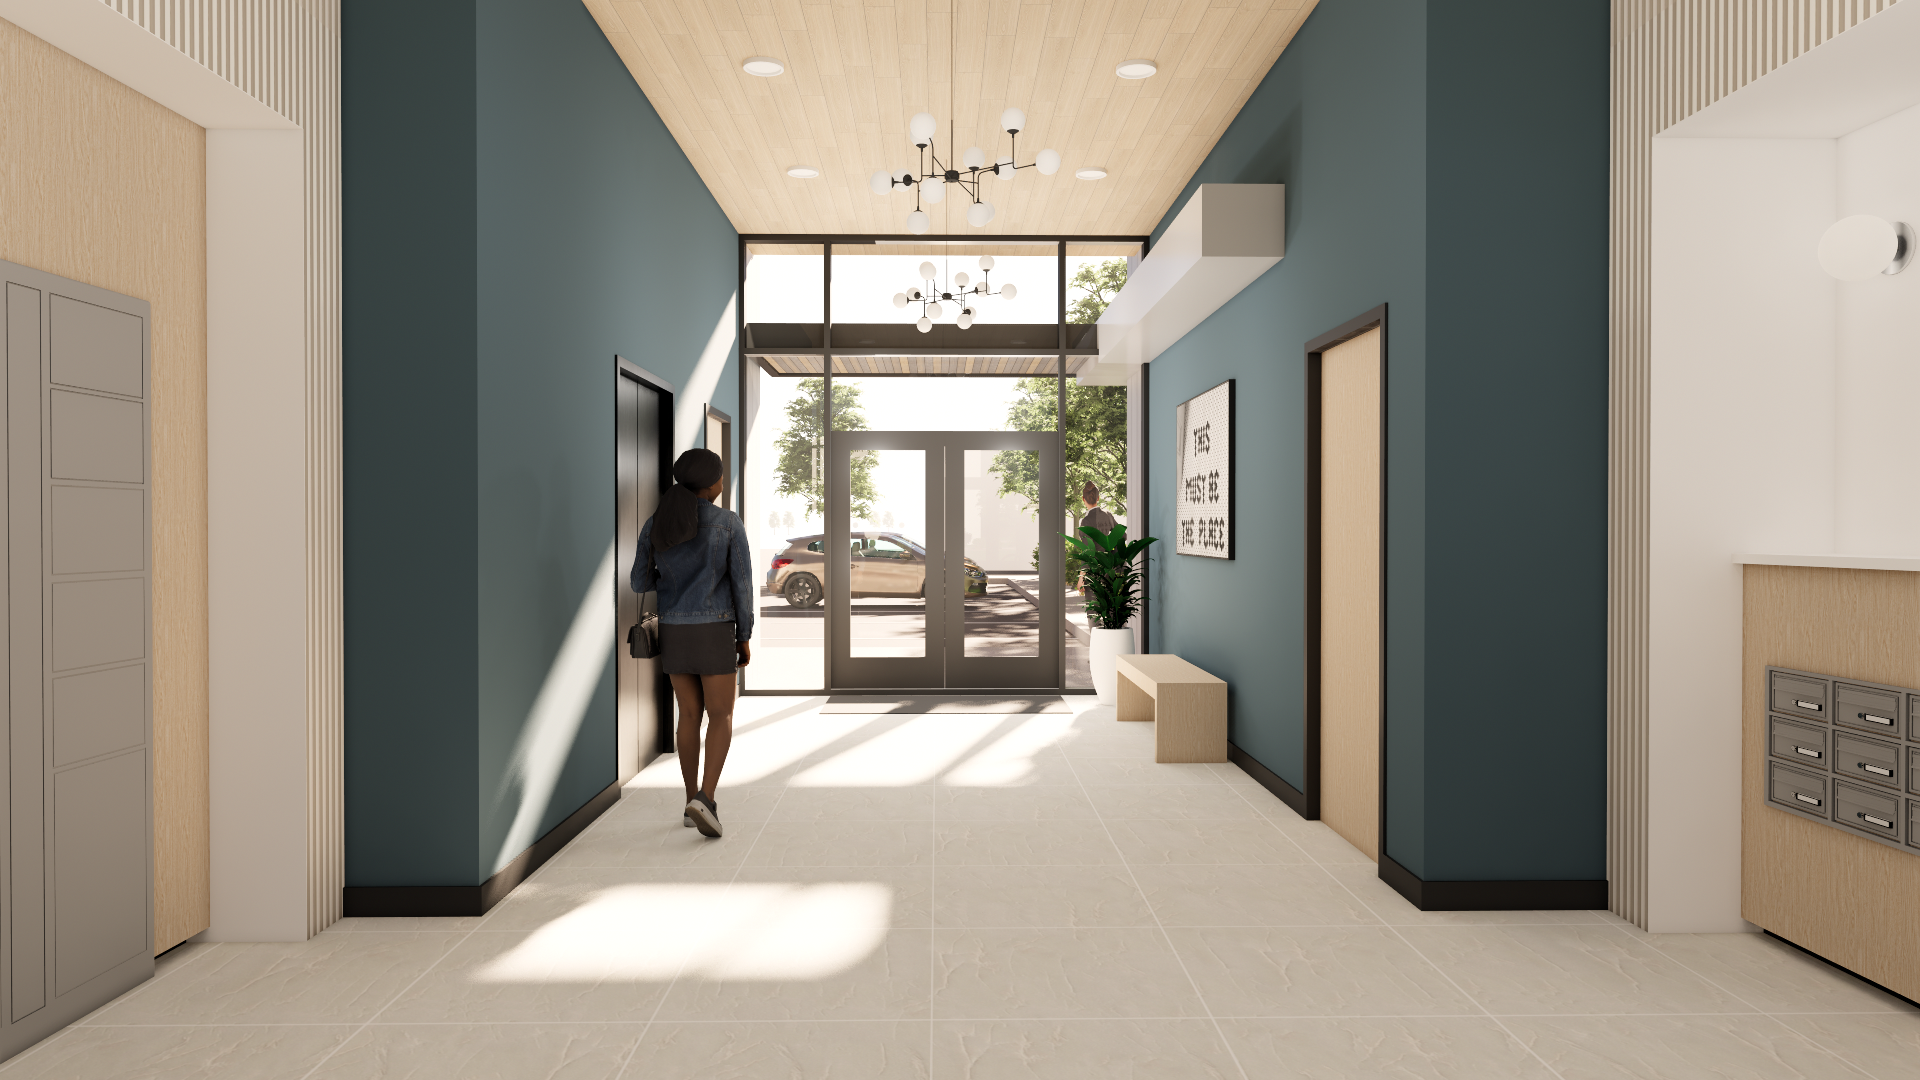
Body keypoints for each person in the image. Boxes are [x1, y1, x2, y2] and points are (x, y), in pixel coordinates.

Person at [630, 448, 753, 838]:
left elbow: (638, 582)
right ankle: (707, 798)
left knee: (688, 716)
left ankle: (689, 803)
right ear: (712, 484)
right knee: (720, 715)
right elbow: (742, 586)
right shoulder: (728, 523)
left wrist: (671, 577)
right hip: (715, 629)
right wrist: (744, 635)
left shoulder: (656, 523)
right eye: (720, 478)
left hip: (674, 630)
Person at [1076, 482, 1117, 594]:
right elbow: (1122, 536)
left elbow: (1088, 551)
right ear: (1098, 498)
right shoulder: (1108, 515)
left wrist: (1081, 578)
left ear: (1083, 499)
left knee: (1094, 607)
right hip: (1109, 571)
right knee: (1109, 607)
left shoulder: (1086, 522)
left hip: (1093, 573)